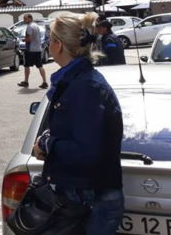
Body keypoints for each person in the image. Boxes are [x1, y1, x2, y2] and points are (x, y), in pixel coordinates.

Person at [33, 12, 124, 235]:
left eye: (49, 39)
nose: (47, 44)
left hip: (88, 200)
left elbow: (88, 151)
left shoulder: (85, 86)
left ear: (58, 45)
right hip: (84, 195)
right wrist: (48, 138)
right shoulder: (76, 80)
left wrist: (46, 145)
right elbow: (76, 129)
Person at [18, 14, 48, 89]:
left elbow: (29, 39)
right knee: (40, 66)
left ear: (30, 18)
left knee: (26, 65)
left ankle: (26, 81)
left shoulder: (29, 27)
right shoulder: (36, 25)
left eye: (25, 18)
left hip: (31, 49)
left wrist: (24, 39)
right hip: (38, 49)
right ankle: (44, 82)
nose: (24, 20)